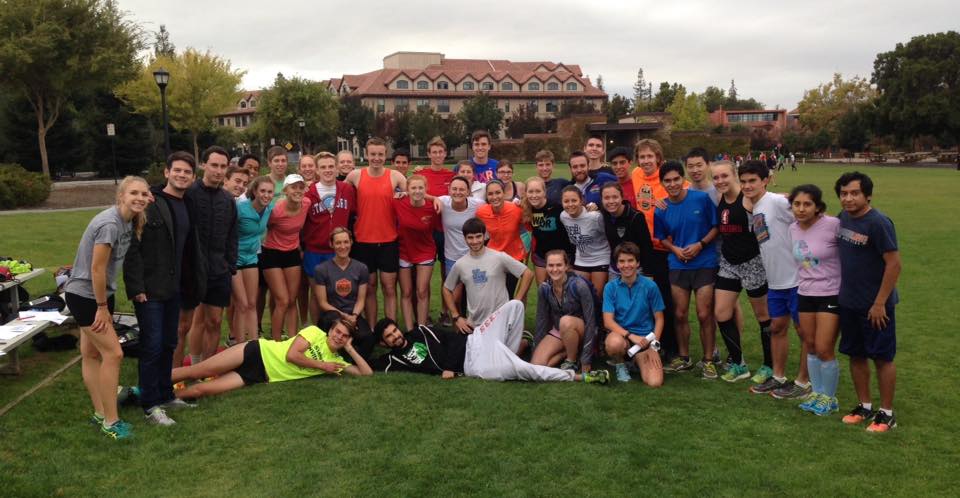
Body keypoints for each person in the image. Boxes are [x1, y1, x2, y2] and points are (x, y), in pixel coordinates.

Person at [124, 153, 205, 426]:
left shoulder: (188, 204)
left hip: (174, 287)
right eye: (177, 171)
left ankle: (165, 394)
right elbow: (131, 247)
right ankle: (150, 404)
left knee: (169, 343)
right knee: (153, 345)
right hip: (150, 289)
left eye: (187, 172)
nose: (182, 175)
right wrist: (136, 287)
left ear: (193, 178)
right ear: (167, 172)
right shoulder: (150, 203)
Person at [65, 176, 149, 440]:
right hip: (86, 297)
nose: (139, 198)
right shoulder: (110, 224)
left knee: (91, 354)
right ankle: (111, 423)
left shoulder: (128, 220)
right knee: (114, 354)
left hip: (100, 296)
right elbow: (97, 268)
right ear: (120, 196)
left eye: (144, 194)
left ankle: (101, 413)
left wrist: (104, 303)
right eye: (133, 193)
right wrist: (102, 307)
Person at [374, 301, 608, 384]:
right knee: (523, 370)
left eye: (395, 330)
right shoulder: (394, 359)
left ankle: (511, 349)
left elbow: (449, 339)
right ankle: (582, 377)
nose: (396, 336)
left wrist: (450, 366)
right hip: (476, 365)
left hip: (476, 340)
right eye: (390, 337)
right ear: (385, 343)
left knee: (514, 306)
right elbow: (369, 365)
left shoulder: (420, 331)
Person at [834, 172, 901, 432]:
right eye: (843, 193)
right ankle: (865, 406)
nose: (848, 198)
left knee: (882, 357)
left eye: (854, 193)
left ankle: (886, 413)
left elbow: (894, 264)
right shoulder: (842, 219)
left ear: (867, 195)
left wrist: (879, 302)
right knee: (855, 354)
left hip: (876, 306)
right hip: (849, 302)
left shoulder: (878, 223)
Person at [739, 160, 810, 398]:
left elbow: (809, 215)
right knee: (777, 327)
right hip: (776, 282)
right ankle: (778, 377)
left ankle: (803, 382)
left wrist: (808, 259)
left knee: (804, 332)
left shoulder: (777, 202)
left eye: (753, 181)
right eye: (744, 181)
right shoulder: (756, 207)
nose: (747, 186)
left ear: (765, 180)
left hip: (797, 280)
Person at [171, 319, 372, 399]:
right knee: (199, 371)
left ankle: (159, 399)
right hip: (257, 351)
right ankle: (150, 385)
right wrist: (322, 365)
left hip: (259, 375)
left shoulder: (336, 361)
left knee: (202, 389)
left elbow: (366, 374)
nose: (339, 337)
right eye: (337, 332)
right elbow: (291, 355)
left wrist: (350, 349)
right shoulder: (314, 333)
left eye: (344, 336)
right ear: (330, 330)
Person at [654, 161, 719, 378]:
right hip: (677, 264)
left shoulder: (701, 198)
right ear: (661, 182)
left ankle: (709, 360)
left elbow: (716, 227)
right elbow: (661, 238)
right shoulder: (661, 208)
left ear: (683, 179)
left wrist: (700, 244)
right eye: (667, 180)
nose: (672, 184)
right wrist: (675, 249)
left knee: (703, 313)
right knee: (680, 313)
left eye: (676, 179)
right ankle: (684, 358)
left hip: (704, 262)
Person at [710, 161, 772, 383]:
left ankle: (769, 366)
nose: (720, 181)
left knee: (763, 317)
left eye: (724, 176)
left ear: (733, 175)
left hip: (752, 263)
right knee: (722, 313)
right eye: (716, 178)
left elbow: (774, 202)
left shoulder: (748, 200)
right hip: (728, 263)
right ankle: (739, 364)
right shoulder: (720, 198)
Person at [789, 184, 842, 416]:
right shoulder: (792, 228)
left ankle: (830, 399)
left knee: (824, 348)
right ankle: (817, 393)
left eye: (807, 204)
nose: (801, 209)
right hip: (805, 293)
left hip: (831, 293)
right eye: (797, 204)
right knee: (810, 345)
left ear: (818, 207)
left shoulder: (833, 225)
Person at [183, 146, 238, 365]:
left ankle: (208, 366)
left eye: (223, 166)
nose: (218, 170)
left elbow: (232, 235)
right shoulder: (189, 194)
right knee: (193, 321)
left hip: (220, 269)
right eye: (214, 165)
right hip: (193, 269)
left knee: (215, 320)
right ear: (203, 165)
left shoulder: (228, 199)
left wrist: (230, 264)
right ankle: (194, 364)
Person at [344, 137, 407, 327]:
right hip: (363, 242)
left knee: (389, 288)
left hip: (388, 241)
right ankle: (371, 329)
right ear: (366, 155)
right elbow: (338, 194)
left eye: (380, 154)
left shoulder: (396, 176)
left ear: (385, 155)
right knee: (369, 288)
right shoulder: (355, 176)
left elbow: (414, 195)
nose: (377, 158)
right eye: (373, 154)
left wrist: (406, 194)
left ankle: (390, 329)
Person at [629, 138, 680, 361]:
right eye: (642, 156)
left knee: (665, 300)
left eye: (650, 156)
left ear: (658, 158)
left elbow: (684, 196)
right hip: (644, 246)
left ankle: (671, 345)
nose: (646, 160)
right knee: (647, 298)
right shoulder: (636, 175)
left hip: (664, 247)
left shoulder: (668, 179)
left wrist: (670, 202)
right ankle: (649, 341)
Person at [442, 218, 534, 333]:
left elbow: (528, 274)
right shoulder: (460, 264)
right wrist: (456, 316)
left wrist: (516, 301)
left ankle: (525, 341)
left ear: (484, 236)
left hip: (500, 322)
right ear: (464, 238)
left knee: (497, 350)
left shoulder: (499, 257)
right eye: (470, 237)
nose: (475, 241)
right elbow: (446, 289)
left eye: (478, 236)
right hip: (474, 325)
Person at [302, 151, 356, 326]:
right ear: (317, 170)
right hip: (315, 250)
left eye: (331, 166)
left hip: (339, 250)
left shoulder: (347, 189)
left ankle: (340, 328)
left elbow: (354, 213)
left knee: (340, 291)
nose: (328, 170)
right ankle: (316, 329)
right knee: (316, 294)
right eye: (323, 167)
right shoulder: (308, 192)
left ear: (337, 167)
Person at [603, 242, 666, 386]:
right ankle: (620, 365)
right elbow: (608, 322)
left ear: (637, 263)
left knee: (655, 382)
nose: (626, 265)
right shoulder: (610, 287)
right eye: (622, 261)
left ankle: (636, 360)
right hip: (622, 337)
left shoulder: (650, 286)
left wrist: (654, 346)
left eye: (630, 261)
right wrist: (631, 336)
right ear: (617, 265)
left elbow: (659, 319)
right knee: (613, 344)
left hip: (646, 341)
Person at [313, 227, 376, 361]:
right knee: (329, 324)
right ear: (331, 244)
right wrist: (343, 315)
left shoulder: (361, 268)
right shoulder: (321, 269)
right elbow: (322, 303)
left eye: (346, 242)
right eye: (338, 243)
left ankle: (350, 360)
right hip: (331, 315)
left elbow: (361, 300)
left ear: (351, 242)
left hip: (353, 315)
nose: (343, 246)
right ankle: (329, 355)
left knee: (369, 338)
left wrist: (353, 316)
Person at [531, 250, 598, 373]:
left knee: (565, 321)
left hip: (580, 329)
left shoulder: (579, 285)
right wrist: (535, 349)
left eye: (559, 265)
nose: (555, 269)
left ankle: (571, 361)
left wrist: (586, 358)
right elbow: (541, 320)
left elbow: (591, 321)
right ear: (545, 267)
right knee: (536, 366)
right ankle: (565, 354)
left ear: (566, 266)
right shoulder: (544, 288)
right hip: (559, 330)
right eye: (551, 265)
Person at [233, 176, 274, 343]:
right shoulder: (240, 208)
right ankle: (240, 345)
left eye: (270, 192)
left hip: (252, 257)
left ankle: (254, 345)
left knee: (252, 302)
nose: (266, 195)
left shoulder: (270, 209)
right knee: (241, 304)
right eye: (262, 191)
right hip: (234, 257)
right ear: (255, 191)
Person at [394, 175, 438, 331]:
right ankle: (409, 330)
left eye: (420, 188)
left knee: (421, 291)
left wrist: (435, 199)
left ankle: (422, 329)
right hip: (404, 251)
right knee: (406, 292)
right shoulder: (398, 202)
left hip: (425, 251)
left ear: (426, 189)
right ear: (407, 189)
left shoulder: (433, 207)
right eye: (413, 188)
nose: (417, 191)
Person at [476, 180, 526, 295]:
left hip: (514, 258)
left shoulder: (516, 210)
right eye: (490, 194)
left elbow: (527, 229)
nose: (494, 197)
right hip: (493, 258)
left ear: (503, 194)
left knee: (509, 294)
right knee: (494, 294)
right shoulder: (481, 213)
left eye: (498, 193)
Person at [559, 185, 610, 297]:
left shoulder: (595, 217)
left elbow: (609, 236)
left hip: (600, 258)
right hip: (581, 260)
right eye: (566, 201)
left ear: (581, 200)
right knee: (581, 296)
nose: (570, 204)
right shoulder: (563, 216)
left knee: (596, 296)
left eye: (574, 200)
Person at [522, 176, 574, 285]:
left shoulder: (557, 207)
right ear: (526, 193)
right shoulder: (526, 209)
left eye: (538, 191)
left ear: (544, 192)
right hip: (541, 256)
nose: (534, 195)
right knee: (543, 289)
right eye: (530, 192)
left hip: (562, 255)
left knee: (565, 290)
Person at [600, 182, 652, 277]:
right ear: (602, 200)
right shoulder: (603, 214)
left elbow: (646, 246)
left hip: (635, 270)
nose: (611, 201)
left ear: (622, 197)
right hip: (615, 269)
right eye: (606, 198)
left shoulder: (636, 217)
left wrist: (648, 273)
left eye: (615, 197)